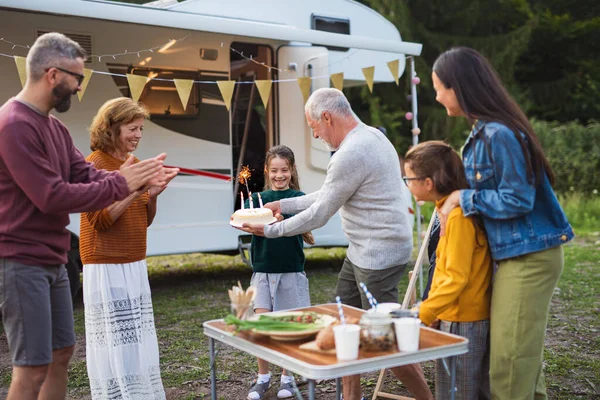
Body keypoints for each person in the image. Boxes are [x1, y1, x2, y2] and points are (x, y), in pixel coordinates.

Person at [0, 32, 173, 400]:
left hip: (54, 258)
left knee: (62, 353)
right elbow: (51, 196)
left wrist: (137, 181)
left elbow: (87, 175)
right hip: (19, 260)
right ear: (52, 74)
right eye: (76, 78)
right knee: (31, 367)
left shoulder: (55, 128)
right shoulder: (14, 124)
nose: (79, 88)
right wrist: (123, 184)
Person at [238, 88, 433, 400]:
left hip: (378, 257)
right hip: (362, 252)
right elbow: (328, 194)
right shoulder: (371, 137)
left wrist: (268, 231)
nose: (315, 135)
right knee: (343, 326)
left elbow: (319, 214)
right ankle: (349, 396)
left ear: (326, 118)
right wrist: (282, 207)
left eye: (314, 127)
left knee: (387, 339)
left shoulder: (351, 153)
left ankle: (427, 398)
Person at [432, 47, 574, 399]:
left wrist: (462, 198)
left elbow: (518, 199)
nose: (436, 96)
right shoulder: (483, 133)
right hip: (515, 254)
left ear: (458, 87)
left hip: (529, 256)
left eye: (438, 87)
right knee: (521, 360)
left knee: (508, 366)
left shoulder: (499, 135)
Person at [79, 97, 176, 399]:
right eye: (131, 129)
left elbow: (142, 219)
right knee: (115, 344)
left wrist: (153, 194)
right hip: (106, 265)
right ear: (111, 129)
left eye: (140, 130)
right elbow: (100, 220)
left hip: (133, 262)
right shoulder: (94, 164)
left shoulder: (131, 165)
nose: (137, 135)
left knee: (135, 343)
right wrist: (135, 188)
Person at [404, 141, 492, 399]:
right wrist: (434, 308)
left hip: (465, 320)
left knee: (460, 392)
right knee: (448, 389)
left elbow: (456, 278)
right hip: (454, 314)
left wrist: (424, 312)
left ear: (427, 183)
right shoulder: (446, 211)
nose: (407, 184)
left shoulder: (458, 218)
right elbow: (445, 269)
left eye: (408, 178)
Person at [241, 145, 315, 400]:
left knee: (287, 327)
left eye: (284, 170)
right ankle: (262, 377)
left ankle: (287, 376)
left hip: (291, 271)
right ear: (266, 171)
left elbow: (304, 221)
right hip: (262, 271)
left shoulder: (297, 198)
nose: (279, 175)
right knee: (262, 326)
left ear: (292, 170)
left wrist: (285, 221)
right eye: (274, 170)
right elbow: (244, 222)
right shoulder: (256, 200)